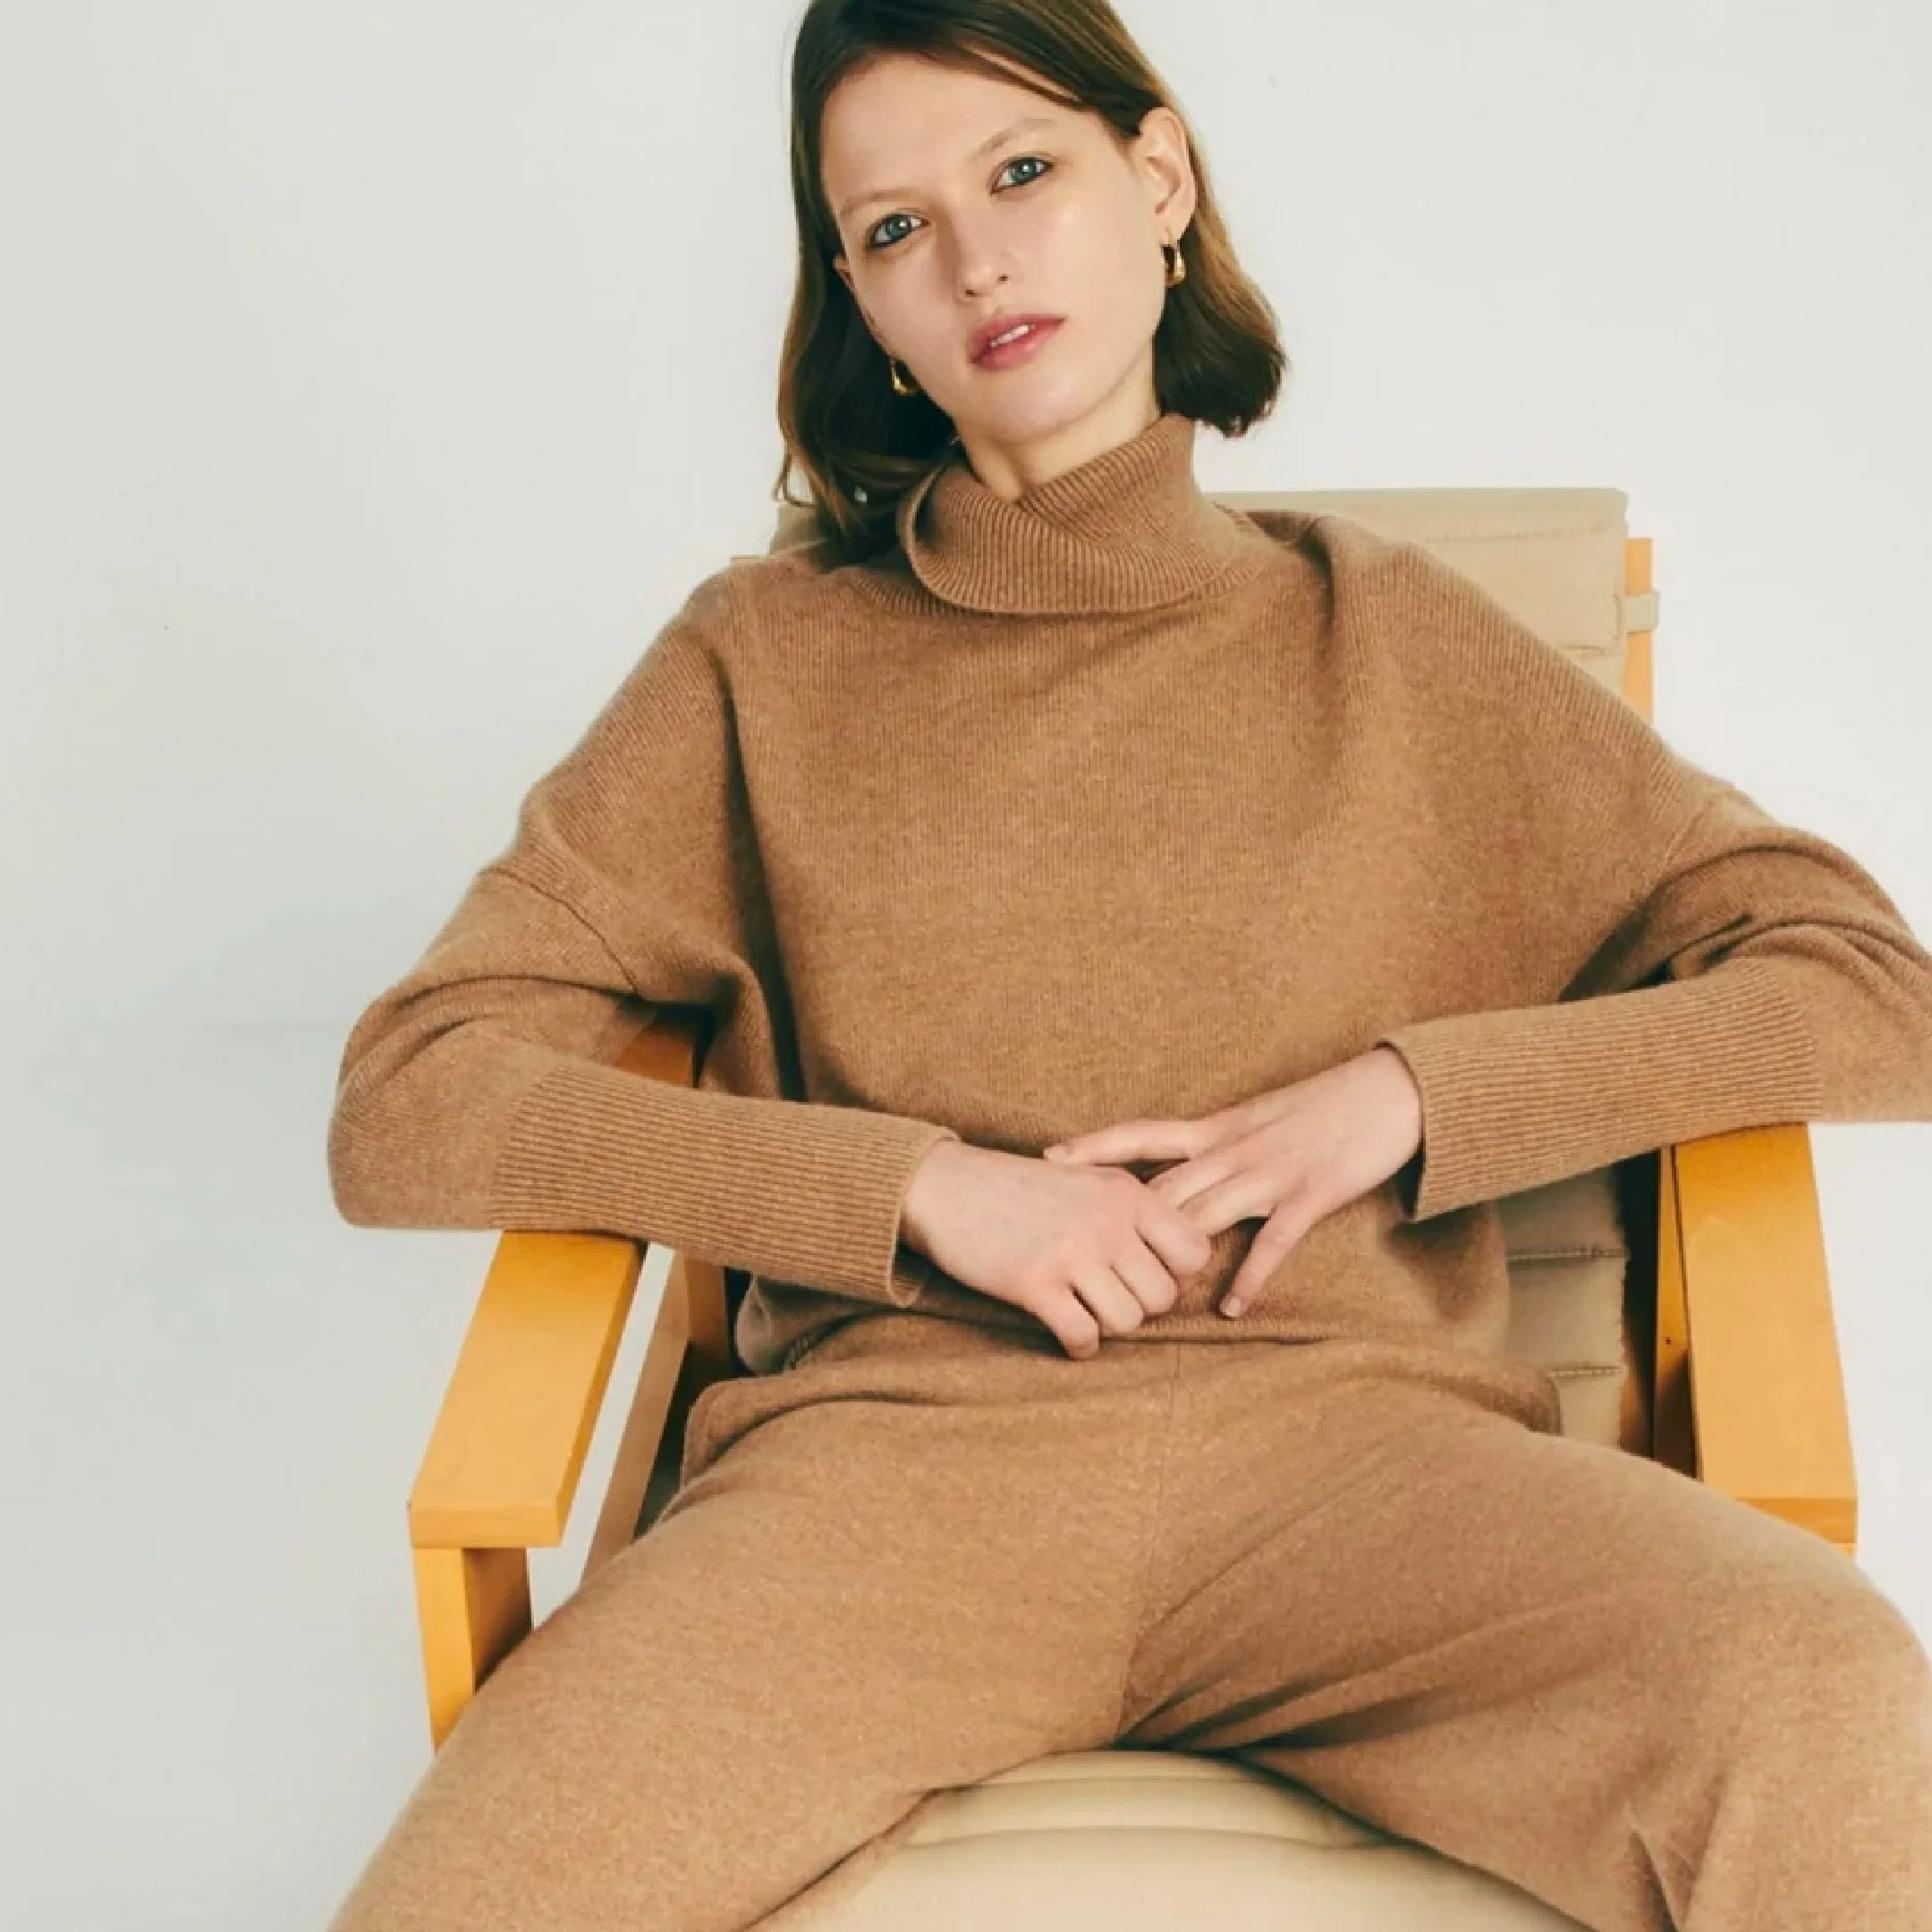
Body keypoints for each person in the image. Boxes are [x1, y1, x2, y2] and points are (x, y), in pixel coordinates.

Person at [322, 3, 1932, 1927]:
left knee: (1826, 1703)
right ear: (860, 299)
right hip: (881, 1494)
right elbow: (410, 1102)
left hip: (1366, 1483)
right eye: (896, 228)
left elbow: (1870, 986)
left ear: (1157, 180)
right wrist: (914, 1191)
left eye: (1024, 172)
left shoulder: (1390, 641)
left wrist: (1415, 1100)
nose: (977, 260)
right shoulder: (757, 663)